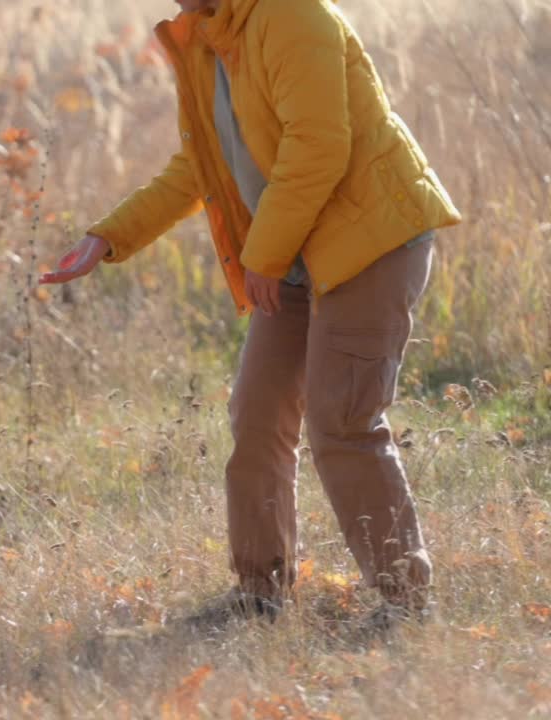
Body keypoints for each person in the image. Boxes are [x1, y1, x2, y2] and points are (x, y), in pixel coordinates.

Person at [40, 0, 461, 627]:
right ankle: (260, 594)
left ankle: (404, 600)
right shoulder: (208, 37)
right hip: (291, 251)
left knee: (342, 421)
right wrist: (109, 237)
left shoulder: (294, 16)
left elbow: (319, 144)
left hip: (370, 241)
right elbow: (198, 168)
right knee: (258, 417)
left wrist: (263, 255)